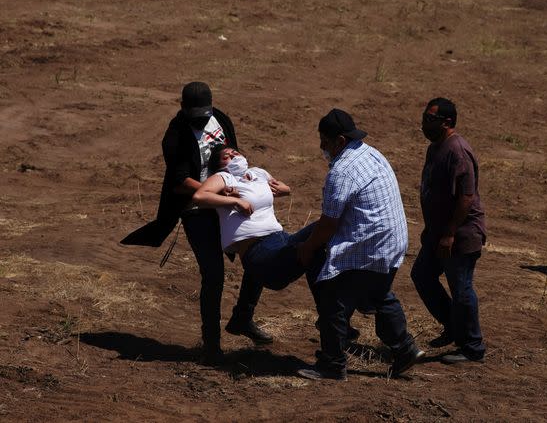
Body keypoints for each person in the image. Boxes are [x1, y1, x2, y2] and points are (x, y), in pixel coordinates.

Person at [121, 82, 270, 364]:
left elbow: (233, 155)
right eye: (196, 115)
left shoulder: (221, 118)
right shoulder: (176, 134)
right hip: (197, 210)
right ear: (183, 108)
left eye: (206, 113)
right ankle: (211, 344)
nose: (202, 119)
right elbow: (178, 182)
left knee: (259, 256)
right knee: (213, 274)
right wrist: (212, 190)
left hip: (227, 202)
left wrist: (248, 181)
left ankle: (242, 317)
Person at [296, 109, 424, 380]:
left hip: (368, 244)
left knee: (331, 295)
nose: (321, 148)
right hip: (392, 240)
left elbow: (329, 223)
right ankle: (404, 349)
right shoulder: (371, 154)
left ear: (340, 141)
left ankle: (332, 364)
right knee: (378, 293)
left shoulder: (341, 172)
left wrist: (307, 248)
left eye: (325, 142)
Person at [411, 98, 486, 365]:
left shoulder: (458, 151)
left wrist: (450, 233)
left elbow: (467, 197)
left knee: (462, 288)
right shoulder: (436, 148)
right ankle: (453, 326)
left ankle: (473, 346)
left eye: (430, 119)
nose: (424, 123)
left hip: (460, 234)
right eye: (424, 117)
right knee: (422, 275)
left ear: (448, 123)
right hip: (438, 233)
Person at [192, 145, 313, 292]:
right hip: (258, 250)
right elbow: (200, 196)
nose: (233, 156)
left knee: (321, 235)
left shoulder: (258, 173)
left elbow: (280, 186)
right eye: (227, 157)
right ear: (220, 166)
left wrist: (286, 190)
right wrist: (236, 201)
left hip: (281, 238)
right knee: (312, 244)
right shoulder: (225, 178)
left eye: (235, 152)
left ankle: (330, 313)